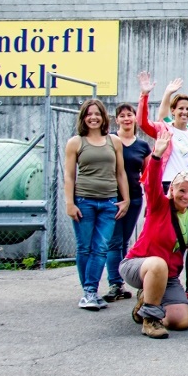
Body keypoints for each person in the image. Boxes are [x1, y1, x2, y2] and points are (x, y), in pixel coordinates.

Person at [121, 128, 188, 338]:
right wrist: (157, 156)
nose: (186, 195)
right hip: (140, 265)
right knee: (158, 263)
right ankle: (150, 319)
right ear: (172, 190)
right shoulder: (159, 205)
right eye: (181, 190)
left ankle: (148, 300)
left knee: (180, 321)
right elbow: (151, 183)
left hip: (168, 276)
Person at [64, 99, 130, 309]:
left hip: (109, 202)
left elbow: (120, 173)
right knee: (85, 247)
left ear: (103, 117)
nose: (93, 117)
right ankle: (89, 291)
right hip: (84, 201)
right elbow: (69, 176)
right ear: (83, 117)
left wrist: (125, 199)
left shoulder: (114, 141)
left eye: (97, 114)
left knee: (100, 247)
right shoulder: (76, 142)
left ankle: (89, 292)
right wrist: (69, 203)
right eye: (89, 114)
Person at [103, 102, 151, 303]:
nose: (126, 118)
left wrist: (149, 201)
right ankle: (115, 283)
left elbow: (147, 175)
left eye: (129, 115)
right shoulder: (109, 141)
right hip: (111, 198)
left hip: (134, 198)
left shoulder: (142, 146)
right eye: (122, 115)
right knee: (114, 241)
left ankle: (120, 281)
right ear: (117, 120)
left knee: (124, 240)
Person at [137, 72, 188, 188]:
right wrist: (144, 95)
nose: (184, 112)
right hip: (166, 184)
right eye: (180, 108)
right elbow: (142, 122)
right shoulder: (164, 129)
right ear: (173, 111)